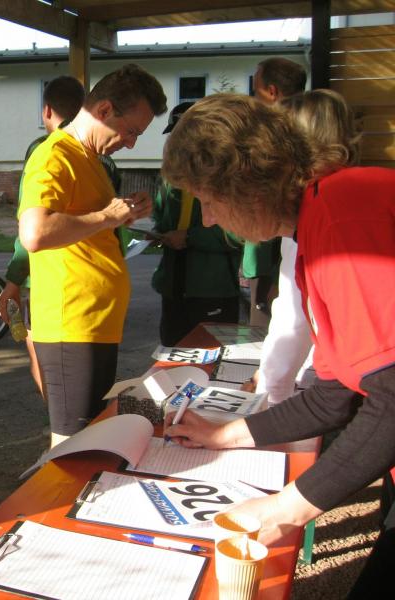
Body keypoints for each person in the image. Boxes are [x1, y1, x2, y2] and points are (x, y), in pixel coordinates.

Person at [162, 93, 395, 596]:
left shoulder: (341, 215)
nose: (207, 219)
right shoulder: (316, 223)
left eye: (208, 200)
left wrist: (285, 510)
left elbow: (392, 397)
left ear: (245, 183)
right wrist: (224, 435)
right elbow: (333, 396)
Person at [19, 64, 167, 447]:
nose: (131, 144)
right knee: (72, 448)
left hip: (93, 324)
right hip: (72, 325)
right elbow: (35, 233)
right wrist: (107, 216)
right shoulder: (54, 155)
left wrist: (125, 212)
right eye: (131, 131)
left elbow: (87, 225)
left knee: (88, 440)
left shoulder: (90, 159)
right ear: (103, 110)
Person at [246, 89, 360, 404]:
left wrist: (268, 395)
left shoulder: (312, 205)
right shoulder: (348, 192)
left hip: (340, 377)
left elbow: (294, 318)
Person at [0, 74, 86, 395]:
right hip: (89, 280)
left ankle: (59, 419)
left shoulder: (43, 150)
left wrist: (13, 282)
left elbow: (31, 226)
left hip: (49, 281)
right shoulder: (98, 153)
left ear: (47, 110)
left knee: (45, 361)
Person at [151, 101, 241, 346]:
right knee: (172, 353)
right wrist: (158, 234)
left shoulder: (226, 174)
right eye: (174, 136)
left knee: (210, 357)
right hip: (174, 287)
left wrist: (190, 237)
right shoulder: (171, 176)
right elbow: (160, 217)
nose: (177, 144)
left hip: (212, 289)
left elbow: (238, 235)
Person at [243, 56, 308, 327]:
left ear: (271, 92)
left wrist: (269, 277)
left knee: (273, 329)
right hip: (283, 253)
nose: (253, 100)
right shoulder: (308, 129)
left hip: (281, 256)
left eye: (255, 91)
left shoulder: (281, 138)